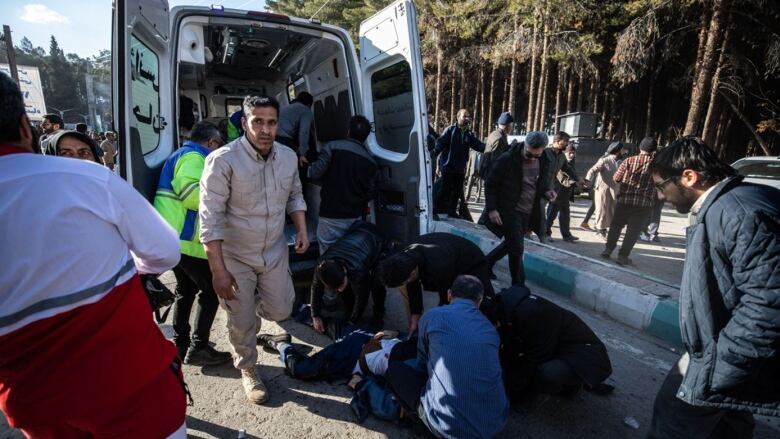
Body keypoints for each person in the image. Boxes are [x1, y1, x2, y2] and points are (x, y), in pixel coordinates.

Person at [0, 73, 187, 438]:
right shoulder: (89, 181)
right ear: (27, 127)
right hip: (133, 392)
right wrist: (126, 268)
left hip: (38, 407)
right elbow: (164, 252)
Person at [647, 137, 780, 439]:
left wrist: (723, 363)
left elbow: (769, 303)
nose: (660, 196)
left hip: (726, 354)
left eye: (660, 186)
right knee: (728, 425)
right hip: (725, 348)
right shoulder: (723, 206)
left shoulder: (738, 212)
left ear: (689, 176)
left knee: (674, 416)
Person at [199, 94, 309, 405]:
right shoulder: (222, 160)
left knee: (282, 310)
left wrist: (301, 229)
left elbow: (296, 195)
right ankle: (248, 368)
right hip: (236, 256)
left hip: (274, 250)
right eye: (257, 121)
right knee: (240, 321)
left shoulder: (287, 157)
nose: (265, 129)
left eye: (271, 122)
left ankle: (253, 310)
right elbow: (210, 220)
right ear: (245, 123)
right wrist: (218, 271)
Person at [385, 275, 509, 439]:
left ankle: (421, 426)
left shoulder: (433, 316)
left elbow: (422, 363)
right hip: (495, 426)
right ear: (478, 302)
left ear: (449, 295)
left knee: (395, 371)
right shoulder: (491, 331)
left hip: (447, 429)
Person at [154, 121, 232, 366]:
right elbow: (192, 196)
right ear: (212, 143)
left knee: (185, 290)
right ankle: (198, 347)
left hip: (175, 240)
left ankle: (180, 343)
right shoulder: (194, 157)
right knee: (212, 290)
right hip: (186, 241)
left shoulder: (183, 154)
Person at [484, 285, 613, 400]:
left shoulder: (530, 315)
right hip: (560, 348)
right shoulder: (508, 310)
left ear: (497, 322)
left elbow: (534, 358)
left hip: (588, 357)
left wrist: (510, 391)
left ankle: (569, 386)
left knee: (547, 373)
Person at [378, 233, 495, 335]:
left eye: (405, 280)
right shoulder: (404, 256)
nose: (406, 283)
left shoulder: (439, 267)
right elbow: (412, 285)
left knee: (483, 301)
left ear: (413, 271)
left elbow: (446, 298)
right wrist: (415, 316)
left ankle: (495, 329)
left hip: (471, 260)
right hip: (447, 250)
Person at [484, 131, 549, 286]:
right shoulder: (508, 159)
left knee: (512, 243)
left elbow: (539, 183)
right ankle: (518, 286)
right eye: (529, 153)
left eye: (536, 155)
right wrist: (492, 209)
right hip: (510, 209)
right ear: (524, 145)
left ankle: (486, 263)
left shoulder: (544, 158)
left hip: (529, 210)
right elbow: (490, 183)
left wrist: (547, 191)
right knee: (517, 249)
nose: (532, 158)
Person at [307, 115, 377, 253]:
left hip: (330, 215)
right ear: (366, 137)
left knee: (327, 254)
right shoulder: (371, 161)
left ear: (348, 131)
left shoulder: (332, 147)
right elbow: (370, 192)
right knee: (348, 253)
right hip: (354, 217)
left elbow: (314, 173)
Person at [307, 221, 387, 334]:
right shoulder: (321, 266)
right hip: (357, 231)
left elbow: (361, 299)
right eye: (336, 287)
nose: (339, 290)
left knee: (377, 282)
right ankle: (349, 310)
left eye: (340, 284)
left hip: (377, 240)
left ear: (344, 270)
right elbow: (316, 288)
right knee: (346, 291)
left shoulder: (358, 270)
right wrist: (315, 315)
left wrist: (352, 322)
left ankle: (379, 313)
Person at [601, 136, 657, 266]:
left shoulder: (629, 160)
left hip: (625, 199)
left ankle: (608, 250)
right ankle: (622, 256)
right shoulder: (658, 166)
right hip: (644, 203)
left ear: (640, 148)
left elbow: (616, 178)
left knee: (616, 225)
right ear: (654, 151)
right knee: (633, 230)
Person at [433, 109, 485, 217]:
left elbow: (477, 145)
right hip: (448, 167)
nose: (467, 118)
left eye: (468, 116)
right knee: (444, 190)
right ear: (458, 117)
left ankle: (452, 212)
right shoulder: (450, 130)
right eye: (464, 116)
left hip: (460, 168)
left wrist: (488, 147)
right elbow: (440, 143)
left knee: (456, 192)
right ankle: (435, 210)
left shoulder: (468, 134)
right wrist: (434, 153)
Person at [537, 132, 587, 243]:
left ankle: (560, 235)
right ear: (557, 141)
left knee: (554, 214)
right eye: (565, 141)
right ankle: (540, 234)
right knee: (542, 213)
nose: (567, 143)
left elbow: (568, 169)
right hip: (543, 189)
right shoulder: (545, 153)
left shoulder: (561, 156)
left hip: (550, 190)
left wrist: (578, 179)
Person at [586, 141, 623, 240]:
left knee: (611, 210)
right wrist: (588, 180)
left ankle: (603, 228)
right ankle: (600, 230)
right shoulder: (604, 160)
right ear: (617, 151)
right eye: (621, 150)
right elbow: (592, 170)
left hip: (614, 189)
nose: (623, 152)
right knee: (602, 209)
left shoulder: (620, 162)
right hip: (603, 189)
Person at [545, 143, 580, 242]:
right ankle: (546, 233)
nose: (572, 155)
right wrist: (575, 182)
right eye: (570, 153)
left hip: (566, 194)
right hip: (556, 193)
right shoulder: (560, 161)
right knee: (551, 215)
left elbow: (573, 174)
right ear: (565, 152)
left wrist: (580, 180)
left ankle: (566, 235)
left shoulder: (572, 161)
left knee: (565, 216)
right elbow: (562, 178)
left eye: (573, 153)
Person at [277, 91, 314, 166]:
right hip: (283, 139)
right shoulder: (306, 110)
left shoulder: (285, 107)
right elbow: (304, 132)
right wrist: (303, 153)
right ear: (309, 104)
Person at [479, 112, 515, 181]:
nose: (512, 127)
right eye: (511, 125)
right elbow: (497, 160)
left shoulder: (495, 133)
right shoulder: (499, 139)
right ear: (507, 126)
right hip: (493, 175)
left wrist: (510, 146)